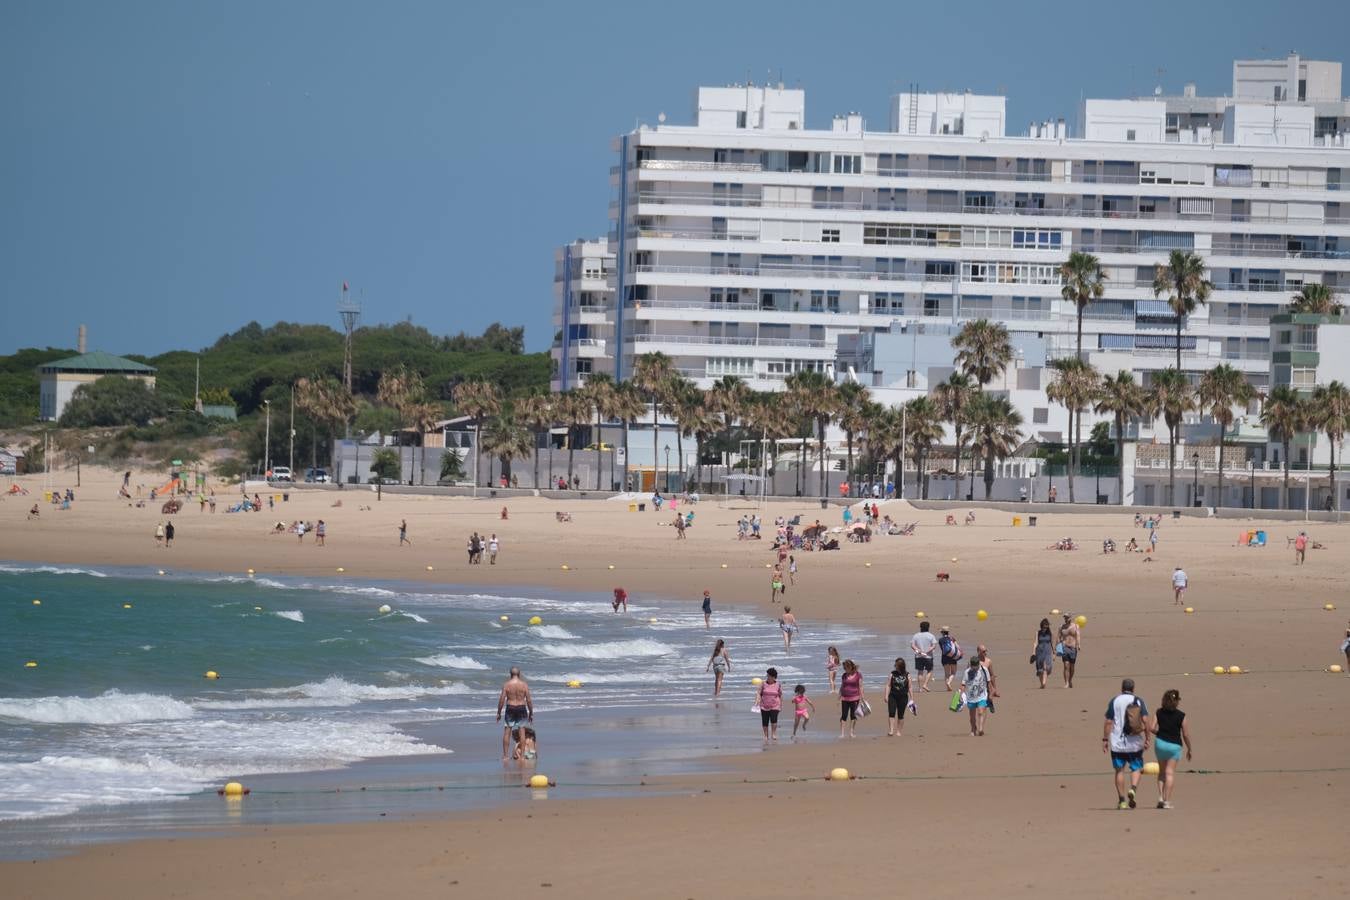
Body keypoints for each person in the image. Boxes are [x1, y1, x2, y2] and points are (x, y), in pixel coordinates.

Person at [1103, 678, 1151, 810]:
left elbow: (1108, 722)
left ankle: (1122, 800)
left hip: (1117, 743)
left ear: (1122, 688)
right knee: (1136, 768)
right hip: (1134, 742)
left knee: (1119, 771)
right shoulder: (1138, 701)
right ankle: (1133, 789)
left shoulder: (1115, 701)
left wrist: (1105, 740)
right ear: (1133, 688)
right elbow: (1146, 721)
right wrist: (1147, 738)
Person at [1150, 688, 1192, 809]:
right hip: (1174, 746)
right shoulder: (1181, 715)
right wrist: (1189, 748)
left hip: (1160, 743)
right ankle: (1167, 801)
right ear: (1177, 701)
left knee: (1162, 772)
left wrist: (1160, 733)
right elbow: (1185, 734)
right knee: (1170, 773)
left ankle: (1160, 797)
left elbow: (1152, 728)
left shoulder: (1158, 712)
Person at [495, 667, 533, 762]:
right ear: (519, 674)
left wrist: (498, 712)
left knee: (507, 731)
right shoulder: (524, 685)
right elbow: (528, 700)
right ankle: (523, 756)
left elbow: (502, 699)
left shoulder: (507, 685)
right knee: (522, 731)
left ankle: (505, 756)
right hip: (521, 707)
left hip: (510, 707)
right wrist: (531, 713)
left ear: (510, 674)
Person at [961, 656, 990, 736]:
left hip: (982, 695)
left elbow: (988, 682)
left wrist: (991, 693)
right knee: (972, 715)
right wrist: (961, 694)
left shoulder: (984, 670)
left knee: (980, 712)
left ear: (978, 664)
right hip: (971, 696)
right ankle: (973, 729)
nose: (974, 669)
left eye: (976, 667)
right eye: (973, 667)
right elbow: (963, 684)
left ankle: (981, 729)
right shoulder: (967, 672)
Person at [884, 658, 911, 737]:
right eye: (895, 665)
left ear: (900, 666)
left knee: (900, 715)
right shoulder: (892, 674)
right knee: (891, 713)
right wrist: (886, 695)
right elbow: (888, 685)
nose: (895, 666)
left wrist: (912, 698)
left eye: (896, 665)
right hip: (893, 696)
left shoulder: (907, 675)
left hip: (903, 697)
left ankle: (899, 731)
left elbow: (910, 687)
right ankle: (891, 730)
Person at [838, 660, 864, 738]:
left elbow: (861, 686)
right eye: (844, 668)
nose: (845, 669)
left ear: (850, 667)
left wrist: (862, 697)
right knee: (844, 716)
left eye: (846, 668)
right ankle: (842, 733)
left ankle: (851, 732)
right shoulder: (844, 675)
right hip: (845, 698)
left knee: (853, 716)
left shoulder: (858, 675)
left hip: (855, 698)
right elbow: (842, 686)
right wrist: (839, 697)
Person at [755, 667, 782, 743]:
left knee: (774, 720)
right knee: (765, 721)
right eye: (767, 675)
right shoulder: (763, 684)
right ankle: (765, 735)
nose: (767, 677)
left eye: (769, 676)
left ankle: (773, 734)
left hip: (775, 705)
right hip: (764, 705)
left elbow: (780, 695)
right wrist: (757, 701)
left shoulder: (778, 684)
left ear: (773, 677)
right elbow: (759, 693)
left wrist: (780, 705)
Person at [911, 620, 938, 692]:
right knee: (930, 670)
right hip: (928, 656)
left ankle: (920, 688)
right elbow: (934, 645)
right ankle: (925, 684)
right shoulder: (931, 635)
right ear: (928, 627)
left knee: (920, 672)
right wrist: (928, 651)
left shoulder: (916, 635)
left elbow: (912, 645)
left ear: (920, 627)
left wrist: (918, 650)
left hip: (918, 656)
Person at [1058, 613, 1080, 688]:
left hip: (1073, 648)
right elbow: (1058, 637)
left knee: (1072, 666)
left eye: (1067, 617)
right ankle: (1066, 682)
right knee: (1066, 665)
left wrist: (1079, 645)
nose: (1066, 619)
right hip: (1065, 647)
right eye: (1065, 618)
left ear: (1071, 618)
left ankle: (1070, 680)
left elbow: (1078, 636)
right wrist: (1057, 648)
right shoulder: (1061, 627)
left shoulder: (1076, 626)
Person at [1032, 618, 1054, 689]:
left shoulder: (1050, 633)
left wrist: (1054, 654)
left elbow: (1052, 644)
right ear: (1041, 626)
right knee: (1040, 669)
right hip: (1039, 651)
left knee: (1045, 667)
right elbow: (1035, 643)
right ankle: (1042, 684)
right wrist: (1033, 652)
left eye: (1046, 627)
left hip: (1047, 651)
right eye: (1044, 627)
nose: (1045, 628)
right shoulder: (1038, 633)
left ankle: (1044, 683)